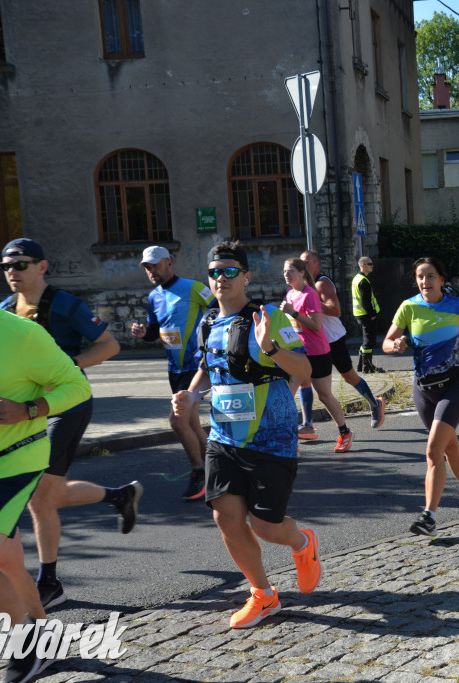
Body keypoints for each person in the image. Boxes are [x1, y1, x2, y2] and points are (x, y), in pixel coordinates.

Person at [171, 241, 321, 629]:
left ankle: (303, 543)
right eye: (214, 272)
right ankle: (263, 594)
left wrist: (270, 345)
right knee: (226, 518)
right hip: (223, 438)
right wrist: (191, 394)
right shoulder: (208, 322)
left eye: (229, 271)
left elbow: (303, 370)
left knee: (266, 527)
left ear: (246, 276)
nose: (221, 278)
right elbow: (208, 366)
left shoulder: (268, 316)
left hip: (271, 439)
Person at [0, 251, 92, 682]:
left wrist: (30, 408)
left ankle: (27, 644)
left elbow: (76, 385)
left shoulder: (18, 333)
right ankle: (45, 637)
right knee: (6, 562)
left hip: (12, 462)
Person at [0, 238, 139, 611]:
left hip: (67, 407)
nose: (12, 271)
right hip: (26, 411)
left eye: (20, 264)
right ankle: (119, 496)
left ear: (42, 267)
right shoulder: (2, 309)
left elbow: (109, 346)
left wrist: (68, 368)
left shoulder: (64, 304)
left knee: (40, 497)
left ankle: (49, 582)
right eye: (6, 266)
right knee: (50, 494)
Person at [382, 257, 459, 536]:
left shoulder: (456, 305)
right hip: (423, 390)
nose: (424, 282)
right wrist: (396, 345)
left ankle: (429, 516)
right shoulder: (409, 306)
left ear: (442, 279)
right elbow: (387, 341)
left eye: (430, 276)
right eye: (420, 276)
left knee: (433, 451)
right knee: (450, 447)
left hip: (453, 385)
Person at [130, 246, 214, 500]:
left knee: (177, 421)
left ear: (169, 263)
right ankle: (220, 466)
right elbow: (155, 330)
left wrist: (211, 343)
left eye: (155, 265)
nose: (151, 271)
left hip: (196, 366)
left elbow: (223, 309)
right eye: (147, 267)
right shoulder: (154, 296)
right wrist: (145, 334)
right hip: (174, 369)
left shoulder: (193, 287)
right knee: (190, 423)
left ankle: (198, 472)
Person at [298, 250, 385, 432]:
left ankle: (374, 404)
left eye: (307, 262)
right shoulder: (298, 286)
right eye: (301, 263)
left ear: (317, 264)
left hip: (332, 339)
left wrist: (310, 301)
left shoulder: (322, 284)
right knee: (303, 379)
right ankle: (307, 425)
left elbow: (335, 310)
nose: (303, 266)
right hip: (312, 341)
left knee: (349, 377)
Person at [281, 258, 354, 452]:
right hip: (299, 353)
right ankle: (288, 439)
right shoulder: (290, 294)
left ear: (302, 273)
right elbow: (293, 328)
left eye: (290, 271)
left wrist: (293, 313)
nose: (286, 275)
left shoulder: (310, 294)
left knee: (324, 396)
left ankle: (345, 432)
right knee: (287, 394)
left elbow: (316, 325)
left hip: (317, 352)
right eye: (284, 272)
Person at [351, 256, 383, 374]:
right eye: (370, 264)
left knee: (366, 340)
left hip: (360, 314)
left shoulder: (357, 278)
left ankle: (361, 365)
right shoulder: (363, 281)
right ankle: (367, 367)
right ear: (363, 265)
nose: (372, 265)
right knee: (369, 341)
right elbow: (366, 301)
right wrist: (372, 314)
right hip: (366, 315)